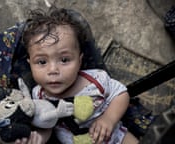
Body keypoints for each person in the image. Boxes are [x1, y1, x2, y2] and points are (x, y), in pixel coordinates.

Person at [14, 7, 139, 144]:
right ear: (30, 64)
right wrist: (39, 138)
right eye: (42, 62)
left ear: (79, 61)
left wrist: (109, 119)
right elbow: (48, 124)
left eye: (64, 60)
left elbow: (121, 94)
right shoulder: (38, 95)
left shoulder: (95, 80)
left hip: (114, 138)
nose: (53, 70)